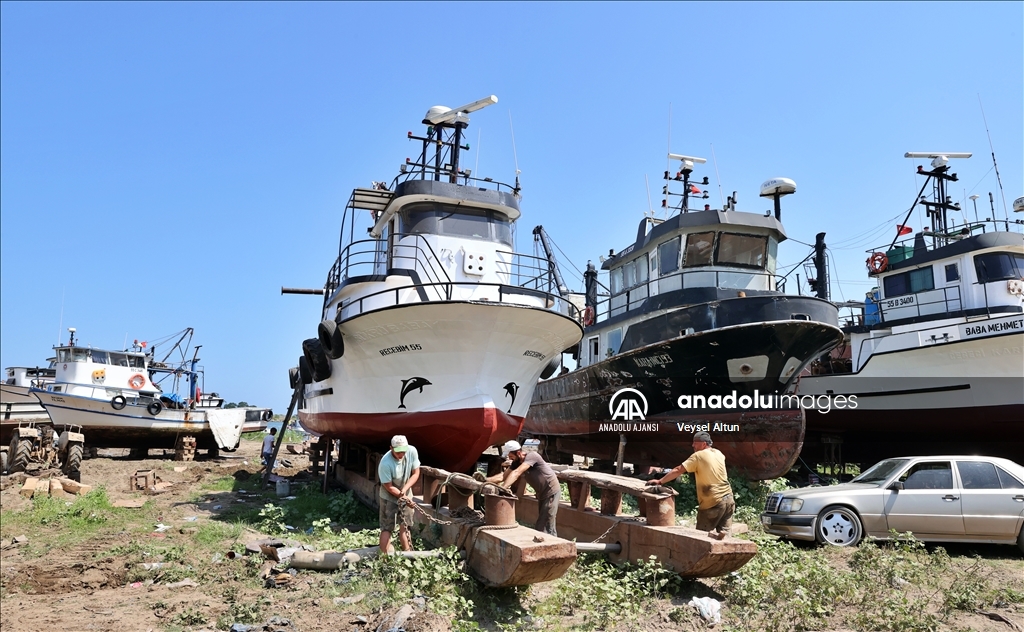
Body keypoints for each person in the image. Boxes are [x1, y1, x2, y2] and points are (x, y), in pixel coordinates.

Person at [646, 431, 734, 540]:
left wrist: (660, 481)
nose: (693, 445)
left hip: (713, 502)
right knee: (726, 537)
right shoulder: (718, 453)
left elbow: (678, 470)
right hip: (728, 499)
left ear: (703, 444)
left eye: (695, 443)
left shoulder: (698, 456)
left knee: (701, 537)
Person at [488, 440, 560, 536]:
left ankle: (549, 542)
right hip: (542, 494)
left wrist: (503, 488)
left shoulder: (532, 456)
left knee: (545, 524)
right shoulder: (516, 462)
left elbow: (516, 473)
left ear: (518, 453)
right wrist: (485, 480)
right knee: (546, 522)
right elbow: (503, 476)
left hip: (551, 491)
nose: (510, 459)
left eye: (511, 456)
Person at [377, 435, 421, 554]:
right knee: (387, 528)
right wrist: (403, 496)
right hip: (388, 496)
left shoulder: (412, 451)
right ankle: (384, 558)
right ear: (391, 448)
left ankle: (407, 555)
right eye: (398, 452)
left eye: (403, 451)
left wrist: (405, 490)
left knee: (405, 526)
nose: (401, 454)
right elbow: (388, 486)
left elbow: (416, 473)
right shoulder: (385, 463)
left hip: (405, 492)